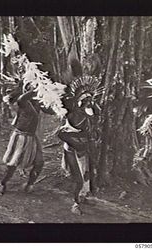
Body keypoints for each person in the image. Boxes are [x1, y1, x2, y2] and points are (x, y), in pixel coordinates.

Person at [58, 58, 101, 215]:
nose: (89, 103)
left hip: (85, 149)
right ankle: (75, 203)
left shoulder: (90, 114)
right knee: (78, 179)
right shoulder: (74, 116)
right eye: (86, 100)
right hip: (73, 150)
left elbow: (97, 116)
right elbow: (61, 133)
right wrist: (77, 141)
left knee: (87, 175)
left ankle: (82, 196)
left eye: (91, 100)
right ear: (79, 102)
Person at [0, 81, 52, 195]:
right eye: (32, 88)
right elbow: (22, 98)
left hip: (31, 138)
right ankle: (2, 183)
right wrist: (40, 87)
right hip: (20, 137)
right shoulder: (23, 102)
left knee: (39, 163)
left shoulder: (38, 102)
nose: (34, 89)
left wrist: (59, 104)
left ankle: (29, 185)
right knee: (13, 164)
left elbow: (51, 111)